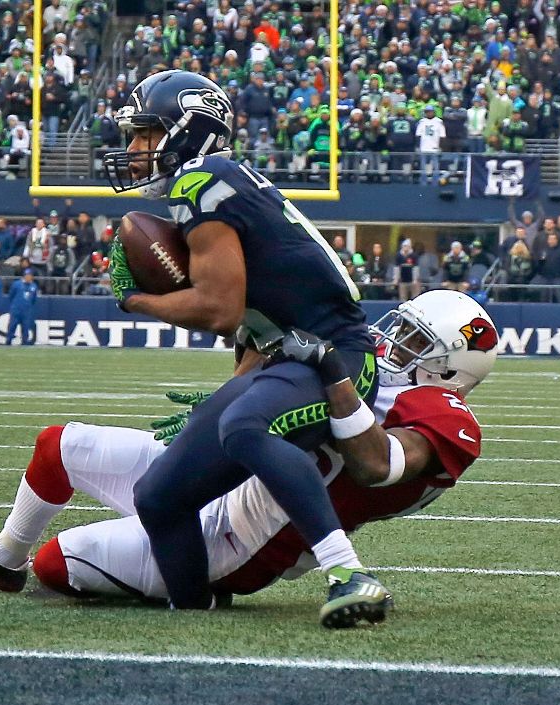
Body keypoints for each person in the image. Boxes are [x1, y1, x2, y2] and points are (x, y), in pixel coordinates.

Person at [0, 291, 497, 627]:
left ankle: (197, 587)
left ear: (452, 366)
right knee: (59, 445)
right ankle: (0, 557)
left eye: (417, 341)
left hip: (242, 538)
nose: (390, 342)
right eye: (400, 328)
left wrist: (332, 375)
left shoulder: (446, 415)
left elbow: (375, 464)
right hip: (227, 471)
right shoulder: (368, 369)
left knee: (58, 565)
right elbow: (254, 393)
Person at [100, 70, 384, 626]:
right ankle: (193, 607)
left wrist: (135, 301)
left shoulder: (202, 179)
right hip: (285, 359)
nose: (133, 149)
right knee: (157, 495)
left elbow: (219, 308)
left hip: (337, 360)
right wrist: (221, 400)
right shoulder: (216, 181)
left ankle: (350, 574)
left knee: (246, 427)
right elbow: (251, 327)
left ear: (186, 131)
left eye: (144, 134)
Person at [5, 268, 39, 345]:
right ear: (24, 276)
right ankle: (8, 341)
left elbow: (33, 299)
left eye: (30, 275)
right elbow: (11, 295)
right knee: (12, 326)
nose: (28, 277)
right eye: (27, 275)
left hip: (26, 310)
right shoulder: (17, 284)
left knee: (26, 327)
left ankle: (24, 342)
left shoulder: (33, 286)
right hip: (16, 309)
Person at [414, 104, 445, 185]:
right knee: (423, 167)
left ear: (434, 112)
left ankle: (435, 183)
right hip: (424, 147)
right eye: (427, 112)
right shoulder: (422, 121)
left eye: (430, 112)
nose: (429, 113)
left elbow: (442, 135)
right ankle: (423, 183)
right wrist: (418, 146)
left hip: (434, 147)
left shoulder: (439, 121)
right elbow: (418, 135)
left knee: (435, 167)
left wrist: (440, 147)